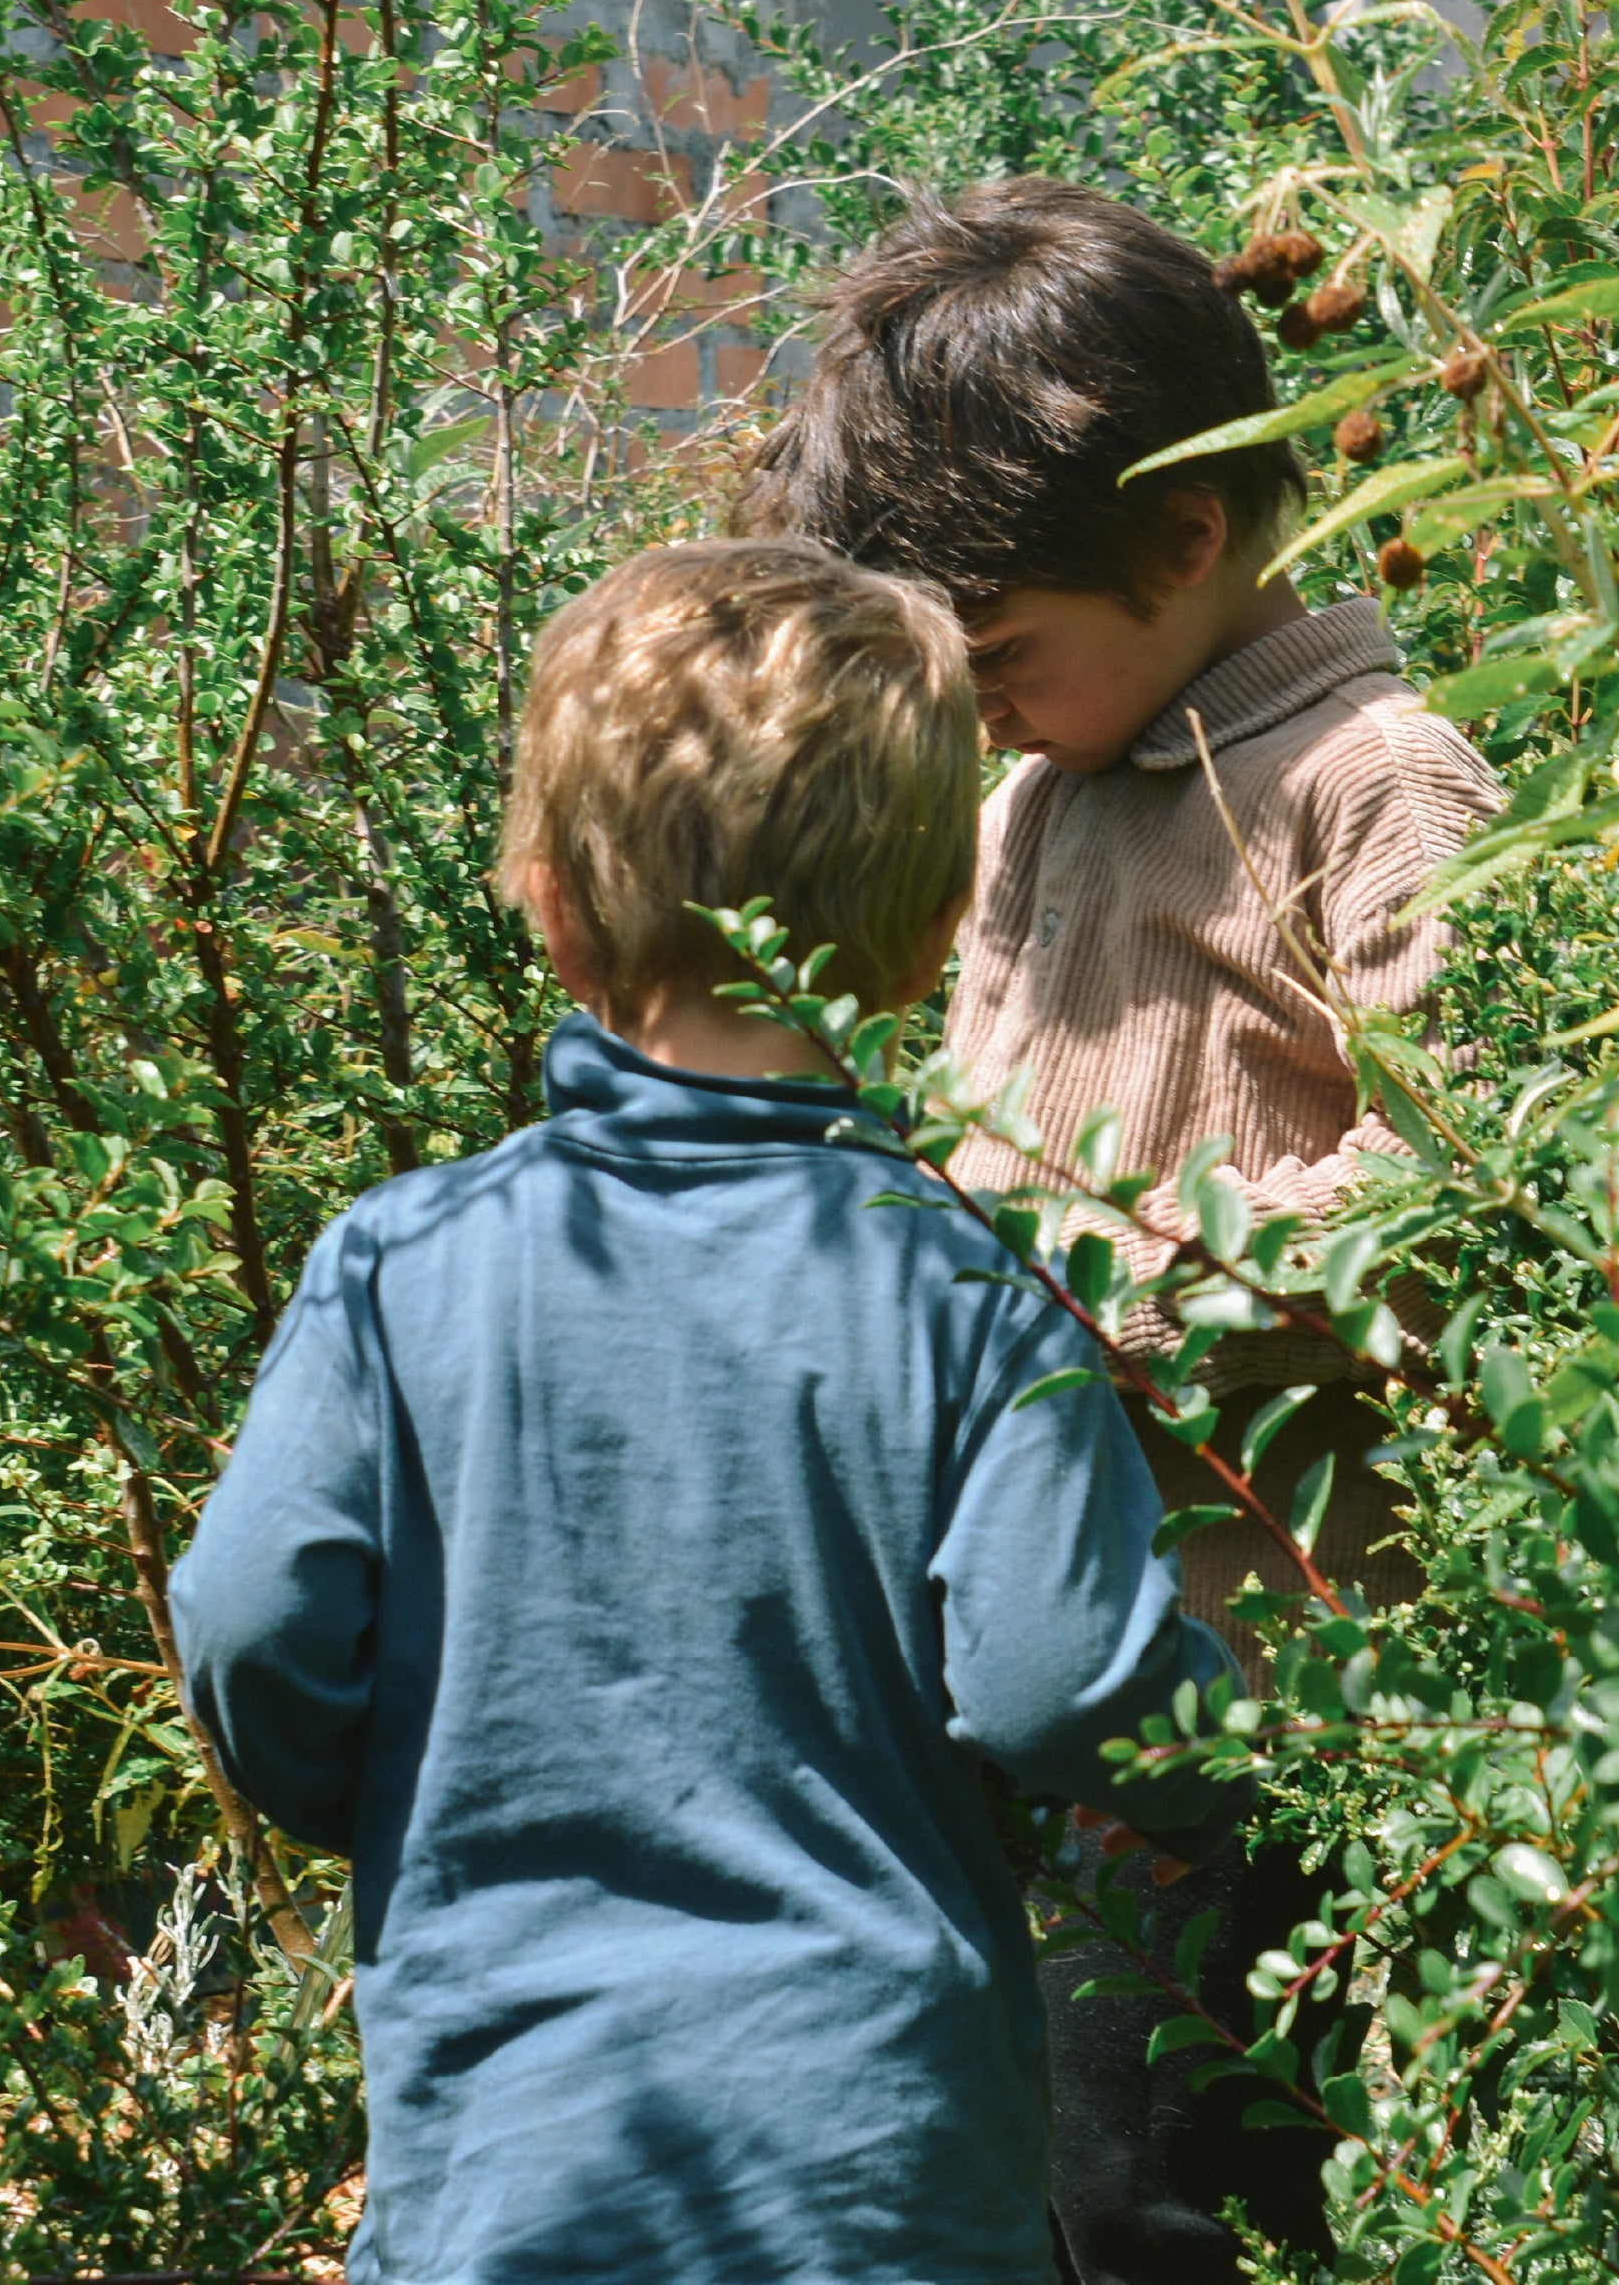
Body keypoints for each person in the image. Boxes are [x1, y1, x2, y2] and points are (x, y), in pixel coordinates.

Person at [169, 537, 1235, 2285]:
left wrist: (406, 1795)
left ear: (551, 906)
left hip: (515, 2166)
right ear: (932, 934)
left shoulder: (400, 1264)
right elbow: (1060, 1684)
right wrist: (1233, 1752)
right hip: (881, 2184)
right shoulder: (964, 1290)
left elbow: (251, 1617)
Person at [740, 179, 1505, 2285]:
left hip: (1270, 1665)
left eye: (994, 654)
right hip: (1038, 1640)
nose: (972, 708)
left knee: (1163, 2182)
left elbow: (1464, 1183)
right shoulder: (1031, 799)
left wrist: (1092, 1299)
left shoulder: (1373, 781)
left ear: (1184, 535)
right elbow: (977, 1140)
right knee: (1021, 2153)